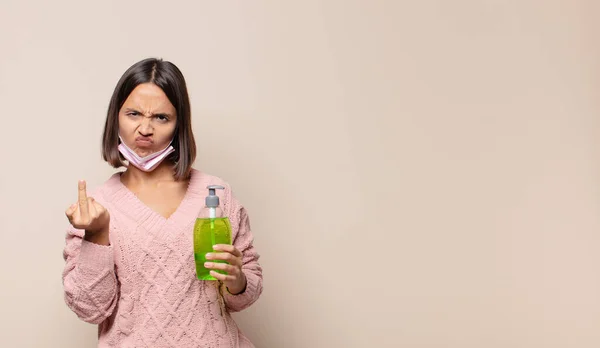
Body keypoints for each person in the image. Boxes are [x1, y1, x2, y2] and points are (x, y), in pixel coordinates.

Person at [61, 58, 263, 348]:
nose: (145, 128)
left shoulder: (216, 194)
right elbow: (90, 309)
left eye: (161, 117)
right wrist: (96, 235)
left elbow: (248, 289)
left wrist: (237, 280)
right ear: (115, 117)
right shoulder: (94, 208)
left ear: (178, 124)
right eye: (133, 114)